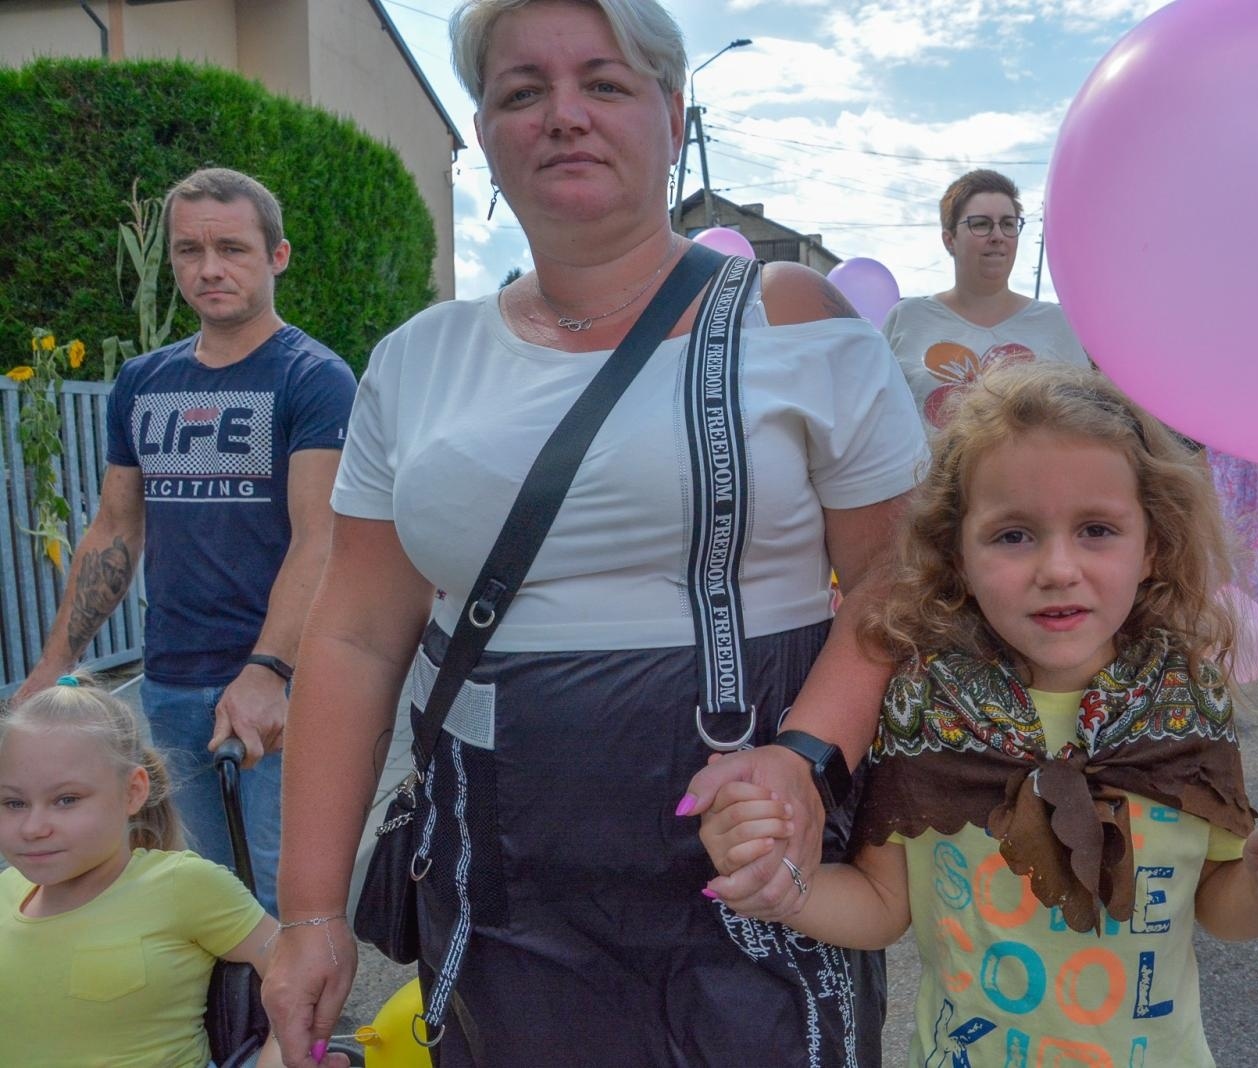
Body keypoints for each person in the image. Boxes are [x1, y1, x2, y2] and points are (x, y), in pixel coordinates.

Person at [261, 1, 924, 1065]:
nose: (564, 115)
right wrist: (309, 912)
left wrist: (805, 759)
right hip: (499, 873)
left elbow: (898, 579)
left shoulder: (790, 317)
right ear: (485, 134)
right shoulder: (418, 359)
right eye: (523, 91)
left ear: (670, 114)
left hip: (749, 853)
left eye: (604, 84)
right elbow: (353, 633)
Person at [700, 364, 1258, 1067]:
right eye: (1013, 536)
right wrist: (782, 883)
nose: (1058, 568)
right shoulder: (925, 711)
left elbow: (1216, 901)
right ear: (957, 555)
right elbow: (883, 906)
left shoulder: (1188, 703)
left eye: (1097, 529)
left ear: (1152, 546)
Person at [11, 168, 356, 916]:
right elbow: (115, 528)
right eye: (188, 251)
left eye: (231, 248)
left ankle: (301, 1035)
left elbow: (318, 539)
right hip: (170, 677)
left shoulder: (314, 379)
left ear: (278, 256)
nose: (208, 268)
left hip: (285, 685)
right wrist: (54, 665)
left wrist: (267, 671)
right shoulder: (144, 381)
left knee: (286, 891)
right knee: (199, 891)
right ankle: (227, 1033)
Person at [0, 676, 282, 1067]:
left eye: (66, 800)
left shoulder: (183, 885)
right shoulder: (5, 892)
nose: (33, 828)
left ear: (133, 791)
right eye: (13, 803)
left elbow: (299, 971)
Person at [882, 169, 1089, 432]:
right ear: (949, 240)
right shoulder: (907, 319)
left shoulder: (1055, 323)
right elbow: (879, 424)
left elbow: (1082, 424)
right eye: (980, 224)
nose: (997, 235)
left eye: (1008, 224)